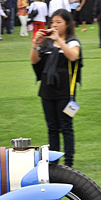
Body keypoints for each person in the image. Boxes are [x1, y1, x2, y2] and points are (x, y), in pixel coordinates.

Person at [31, 9, 81, 168]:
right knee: (51, 128)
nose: (55, 25)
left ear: (67, 24)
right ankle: (53, 163)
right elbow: (34, 61)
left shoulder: (73, 41)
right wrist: (35, 43)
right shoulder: (46, 42)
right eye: (53, 22)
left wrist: (59, 40)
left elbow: (73, 56)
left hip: (65, 91)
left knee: (66, 127)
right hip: (47, 89)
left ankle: (68, 163)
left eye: (59, 22)